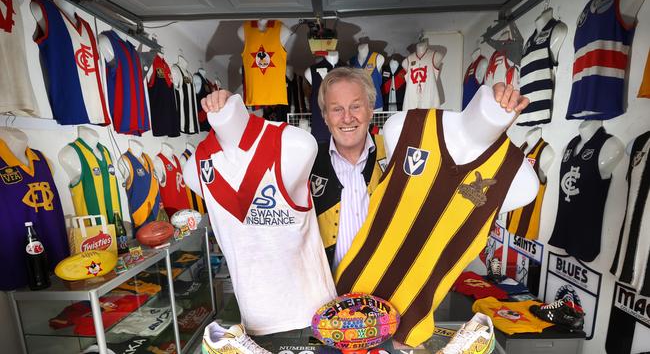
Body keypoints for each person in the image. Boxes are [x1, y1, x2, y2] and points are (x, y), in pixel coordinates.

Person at [200, 70, 530, 269]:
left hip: (387, 297)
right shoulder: (301, 160)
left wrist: (493, 114)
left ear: (371, 109)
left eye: (356, 106)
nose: (347, 118)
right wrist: (230, 112)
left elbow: (462, 153)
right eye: (337, 109)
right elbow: (252, 158)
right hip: (324, 297)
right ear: (325, 117)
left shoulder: (403, 154)